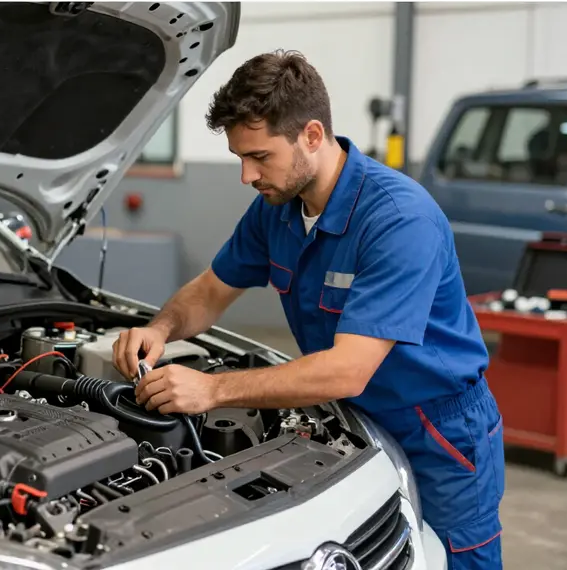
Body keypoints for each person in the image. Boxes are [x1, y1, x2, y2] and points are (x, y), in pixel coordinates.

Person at [112, 50, 505, 569]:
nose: (247, 175)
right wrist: (160, 328)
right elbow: (209, 291)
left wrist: (213, 389)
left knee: (447, 559)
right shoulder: (276, 210)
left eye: (259, 156)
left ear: (312, 135)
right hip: (355, 420)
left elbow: (347, 370)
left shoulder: (399, 220)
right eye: (239, 158)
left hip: (437, 434)